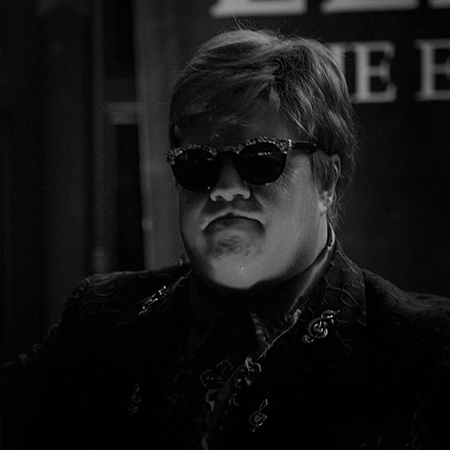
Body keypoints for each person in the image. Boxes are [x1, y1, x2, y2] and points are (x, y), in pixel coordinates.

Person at [1, 27, 450, 450]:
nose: (225, 188)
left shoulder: (426, 352)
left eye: (261, 159)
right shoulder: (101, 322)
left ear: (327, 180)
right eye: (198, 164)